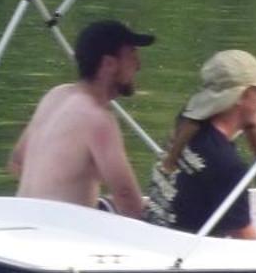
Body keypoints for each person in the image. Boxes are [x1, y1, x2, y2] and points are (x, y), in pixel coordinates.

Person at [9, 18, 152, 217]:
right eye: (131, 55)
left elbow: (17, 161)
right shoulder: (98, 118)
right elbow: (127, 197)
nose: (138, 65)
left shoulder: (56, 95)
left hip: (21, 220)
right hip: (58, 236)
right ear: (109, 64)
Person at [157, 49, 256, 240]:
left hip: (160, 229)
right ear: (240, 97)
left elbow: (253, 121)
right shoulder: (228, 167)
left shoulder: (187, 120)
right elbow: (246, 240)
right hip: (190, 255)